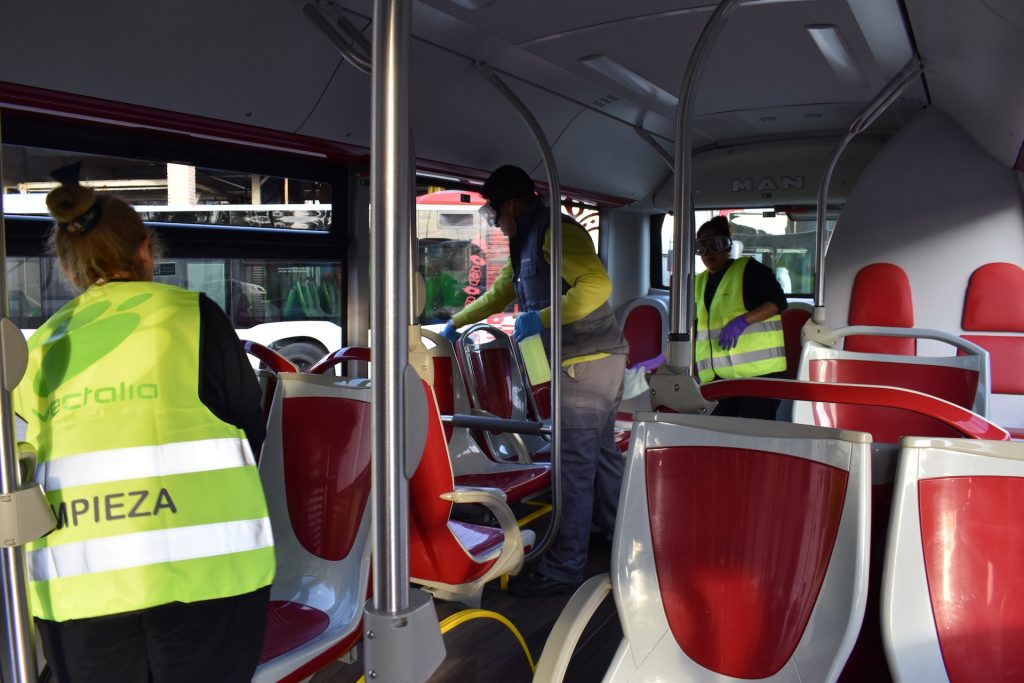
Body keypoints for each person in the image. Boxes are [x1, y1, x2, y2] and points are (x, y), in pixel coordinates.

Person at [14, 164, 275, 683]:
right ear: (144, 251)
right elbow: (251, 428)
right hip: (207, 578)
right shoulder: (193, 317)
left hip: (80, 591)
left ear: (69, 269)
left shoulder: (38, 348)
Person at [440, 165, 629, 597]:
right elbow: (503, 292)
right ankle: (617, 535)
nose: (496, 221)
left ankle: (565, 568)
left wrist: (540, 319)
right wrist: (456, 322)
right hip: (593, 360)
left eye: (494, 212)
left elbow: (596, 284)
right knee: (599, 457)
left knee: (573, 469)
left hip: (585, 362)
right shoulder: (526, 241)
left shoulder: (555, 231)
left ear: (510, 204)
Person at [693, 215, 787, 419]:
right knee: (721, 437)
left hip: (759, 375)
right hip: (717, 377)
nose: (708, 253)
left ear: (727, 246)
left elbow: (777, 302)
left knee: (754, 436)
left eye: (715, 244)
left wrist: (743, 321)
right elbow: (696, 329)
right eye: (702, 246)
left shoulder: (750, 270)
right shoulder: (698, 282)